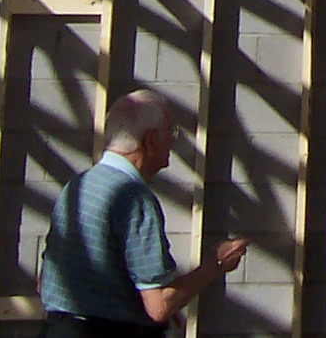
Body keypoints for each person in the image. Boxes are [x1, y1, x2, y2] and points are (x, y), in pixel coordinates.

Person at [39, 89, 248, 337]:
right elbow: (159, 307)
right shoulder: (134, 198)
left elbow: (45, 281)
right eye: (171, 133)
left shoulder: (77, 186)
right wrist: (215, 264)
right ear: (150, 140)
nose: (172, 142)